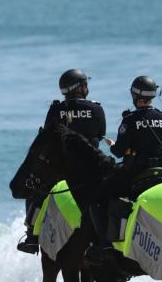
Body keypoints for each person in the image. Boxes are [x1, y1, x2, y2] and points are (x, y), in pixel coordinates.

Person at [86, 75, 162, 265]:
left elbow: (118, 152)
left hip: (137, 174)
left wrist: (114, 145)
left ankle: (106, 245)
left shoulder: (130, 120)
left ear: (135, 95)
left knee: (97, 199)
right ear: (152, 95)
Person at [18, 69, 107, 254]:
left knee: (35, 191)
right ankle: (108, 240)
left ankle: (32, 237)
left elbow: (48, 137)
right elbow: (100, 134)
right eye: (85, 84)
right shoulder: (96, 108)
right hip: (91, 169)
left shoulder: (57, 109)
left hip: (62, 168)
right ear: (81, 87)